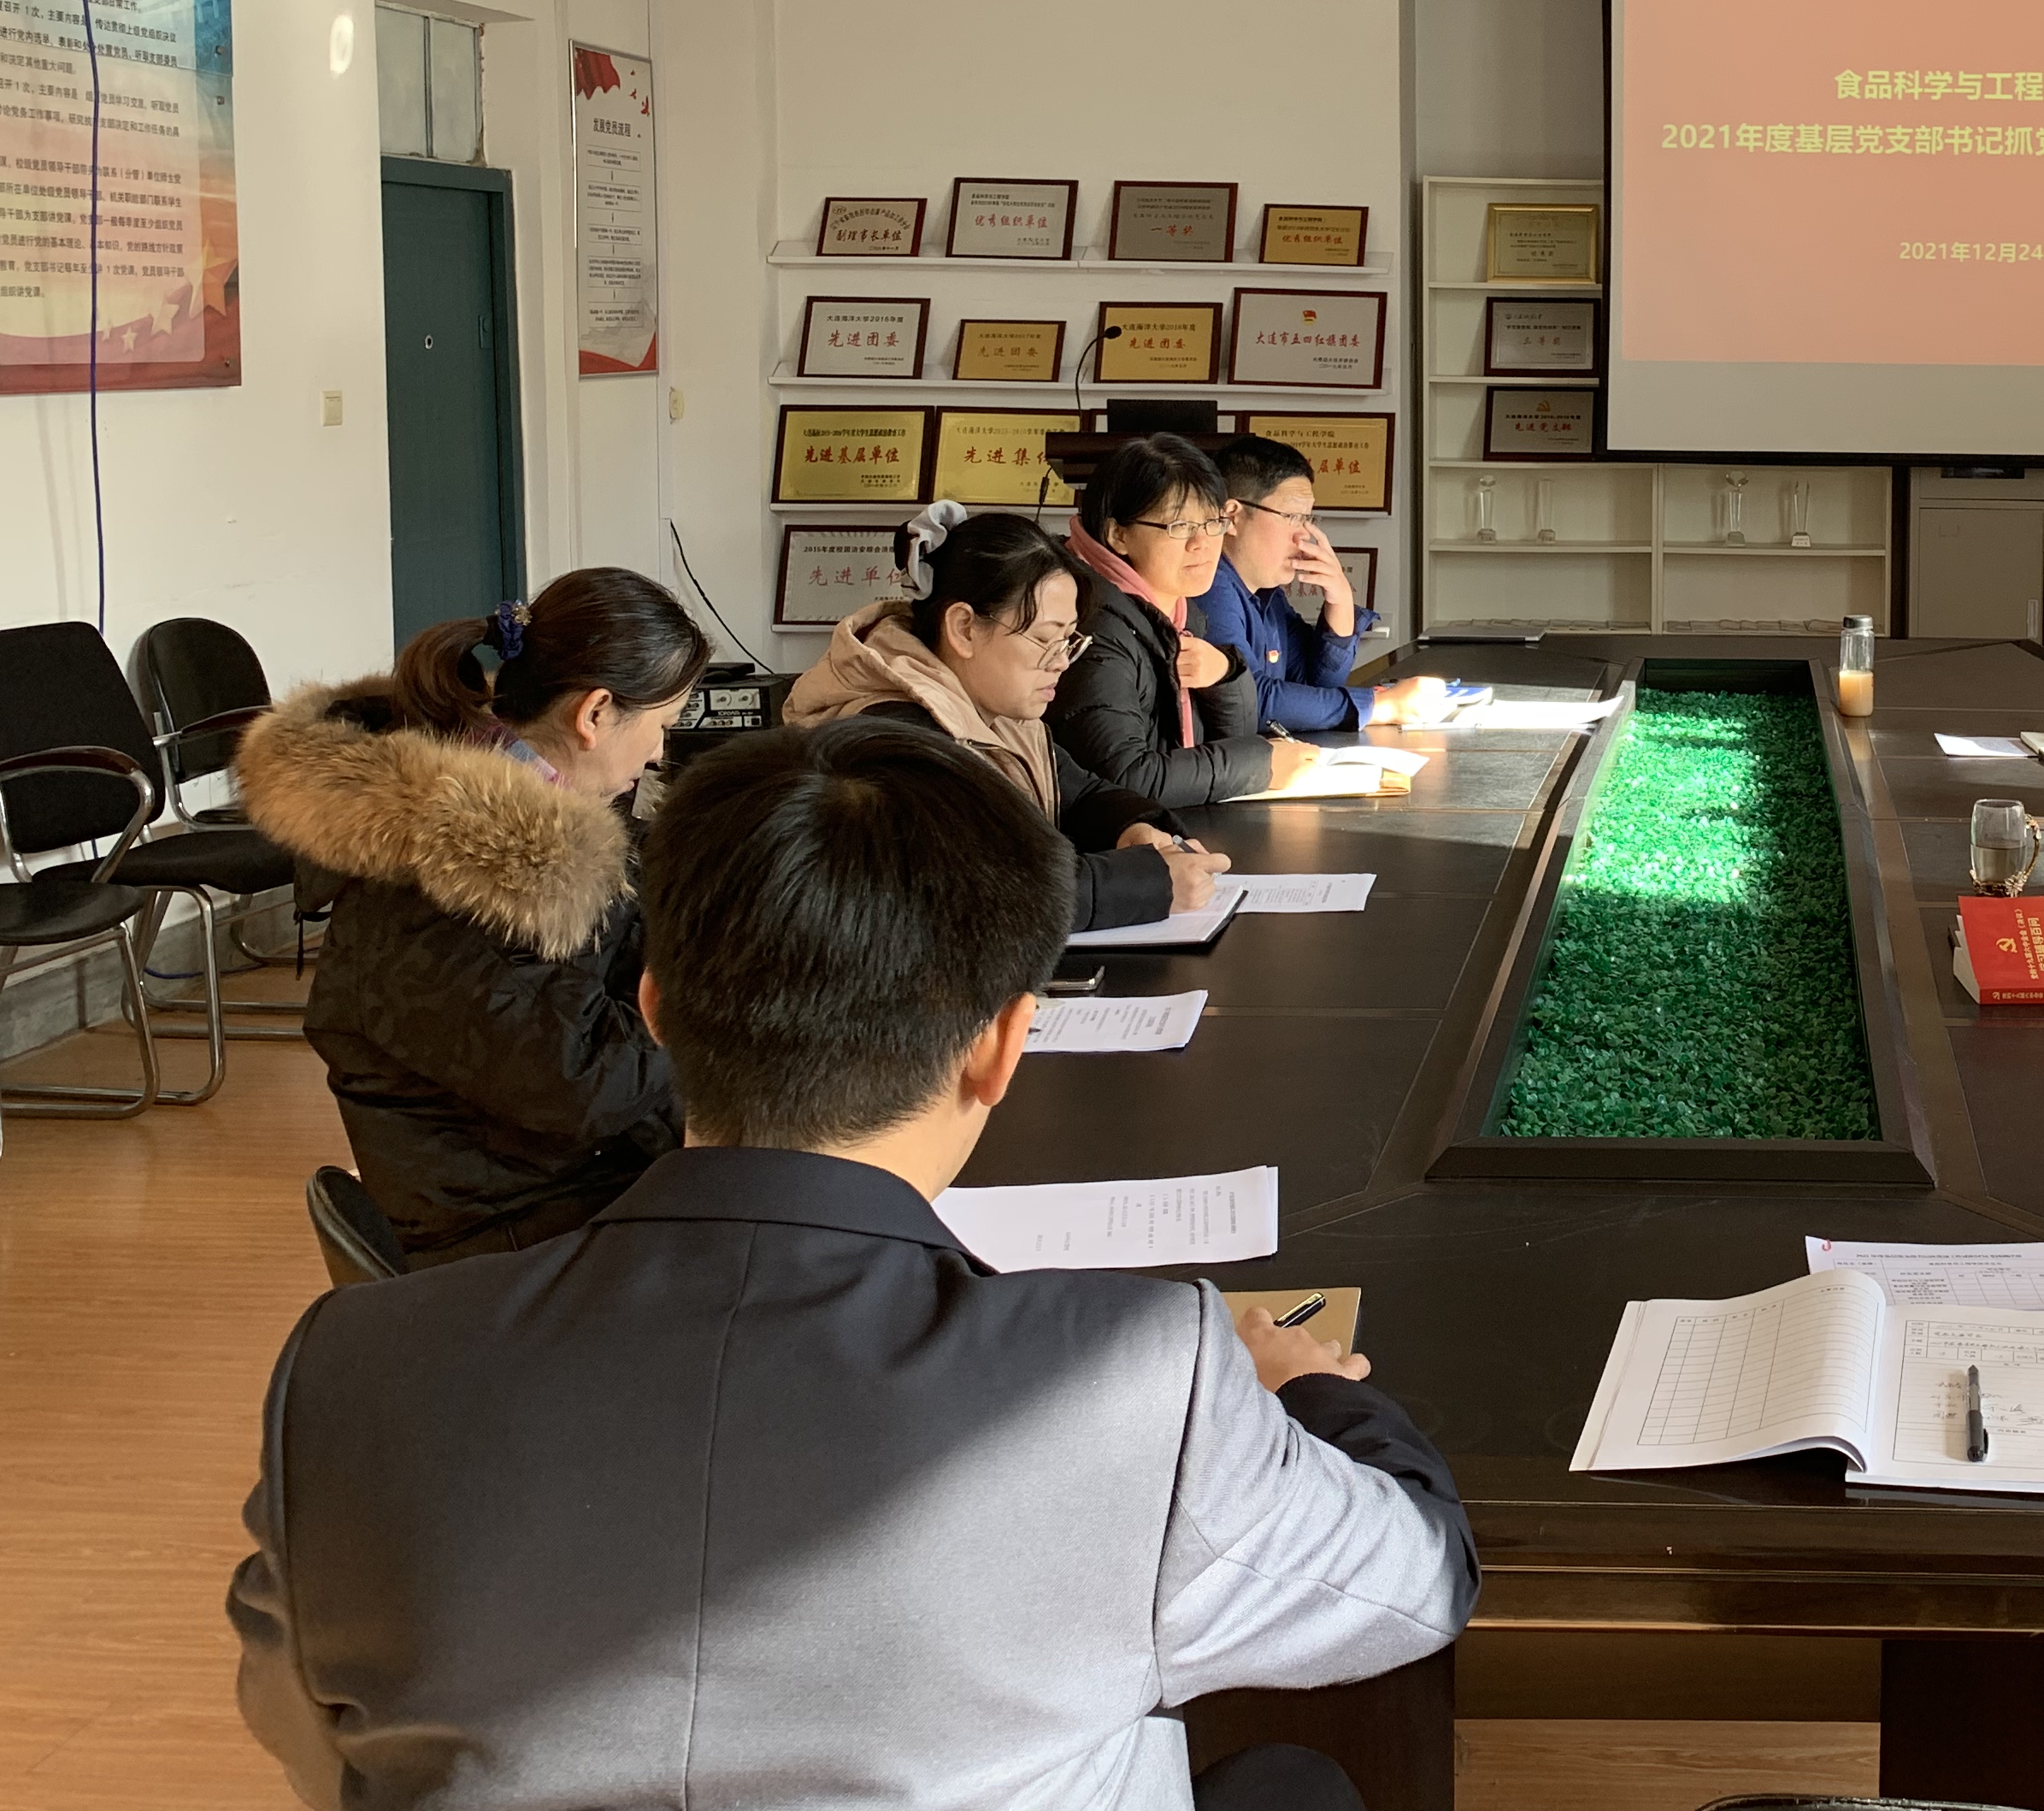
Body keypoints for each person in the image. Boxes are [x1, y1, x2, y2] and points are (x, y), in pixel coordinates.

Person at [230, 715, 1475, 1811]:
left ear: (655, 1009)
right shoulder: (1139, 1378)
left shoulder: (349, 1370)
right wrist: (1315, 1391)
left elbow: (310, 1735)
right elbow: (1417, 1586)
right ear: (1001, 1045)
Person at [234, 569, 705, 1264]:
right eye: (663, 726)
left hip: (560, 1191)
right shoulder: (457, 881)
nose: (662, 751)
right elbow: (587, 1084)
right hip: (508, 1242)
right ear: (596, 713)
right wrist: (721, 999)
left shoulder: (529, 838)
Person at [786, 502, 1224, 929]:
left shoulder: (1000, 710)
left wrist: (1134, 827)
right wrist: (1150, 882)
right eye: (1045, 639)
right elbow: (976, 895)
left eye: (1069, 641)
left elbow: (1078, 794)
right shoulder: (891, 738)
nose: (1062, 662)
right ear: (964, 628)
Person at [1047, 433, 1315, 806]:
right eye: (1179, 527)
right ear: (1118, 535)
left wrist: (1226, 676)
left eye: (1212, 523)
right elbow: (1126, 778)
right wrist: (1262, 764)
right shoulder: (1095, 627)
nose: (1202, 543)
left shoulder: (1179, 612)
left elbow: (1232, 737)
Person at [1188, 432, 1452, 736]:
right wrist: (1382, 706)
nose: (1304, 534)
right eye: (1291, 516)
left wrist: (1340, 601)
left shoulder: (1267, 594)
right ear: (1232, 516)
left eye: (1308, 519)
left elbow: (1315, 685)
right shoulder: (1208, 586)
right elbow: (1249, 701)